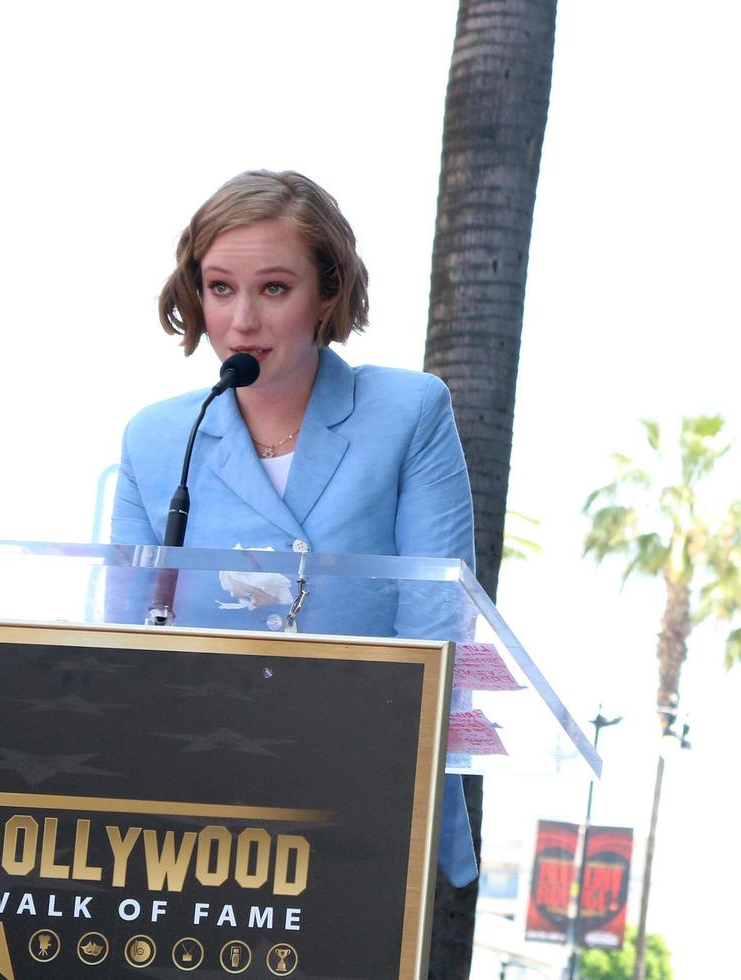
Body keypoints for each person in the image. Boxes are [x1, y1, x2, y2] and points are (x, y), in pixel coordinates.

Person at [108, 169, 479, 887]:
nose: (241, 320)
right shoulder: (156, 438)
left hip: (361, 796)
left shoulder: (410, 412)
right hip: (183, 809)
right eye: (220, 288)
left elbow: (437, 623)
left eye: (274, 288)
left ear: (328, 293)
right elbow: (121, 639)